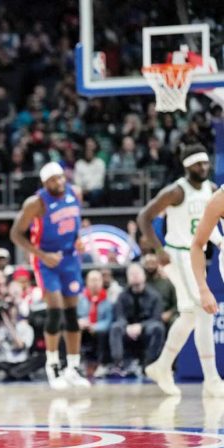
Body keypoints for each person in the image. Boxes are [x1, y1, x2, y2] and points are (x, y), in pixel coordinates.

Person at [137, 144, 224, 397]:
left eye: (206, 163)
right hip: (178, 254)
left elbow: (211, 226)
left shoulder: (210, 189)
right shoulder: (176, 191)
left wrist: (219, 241)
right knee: (205, 312)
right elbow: (144, 216)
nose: (204, 168)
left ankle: (162, 366)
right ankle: (212, 379)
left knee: (189, 316)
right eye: (198, 164)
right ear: (187, 166)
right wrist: (158, 250)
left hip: (193, 255)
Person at [10, 161, 90, 390]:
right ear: (45, 183)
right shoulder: (36, 203)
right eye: (54, 180)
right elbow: (15, 234)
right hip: (47, 261)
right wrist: (41, 254)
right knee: (55, 312)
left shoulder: (75, 193)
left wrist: (78, 239)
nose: (59, 182)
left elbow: (74, 222)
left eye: (61, 178)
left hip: (70, 258)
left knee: (72, 314)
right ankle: (52, 364)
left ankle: (73, 367)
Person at [109, 264, 165, 374]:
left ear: (144, 276)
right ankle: (118, 364)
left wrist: (141, 326)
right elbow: (119, 315)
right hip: (127, 327)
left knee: (158, 328)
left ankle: (149, 365)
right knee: (116, 327)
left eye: (137, 273)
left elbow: (156, 317)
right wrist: (127, 326)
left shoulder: (155, 296)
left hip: (147, 327)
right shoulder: (122, 296)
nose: (134, 276)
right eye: (131, 274)